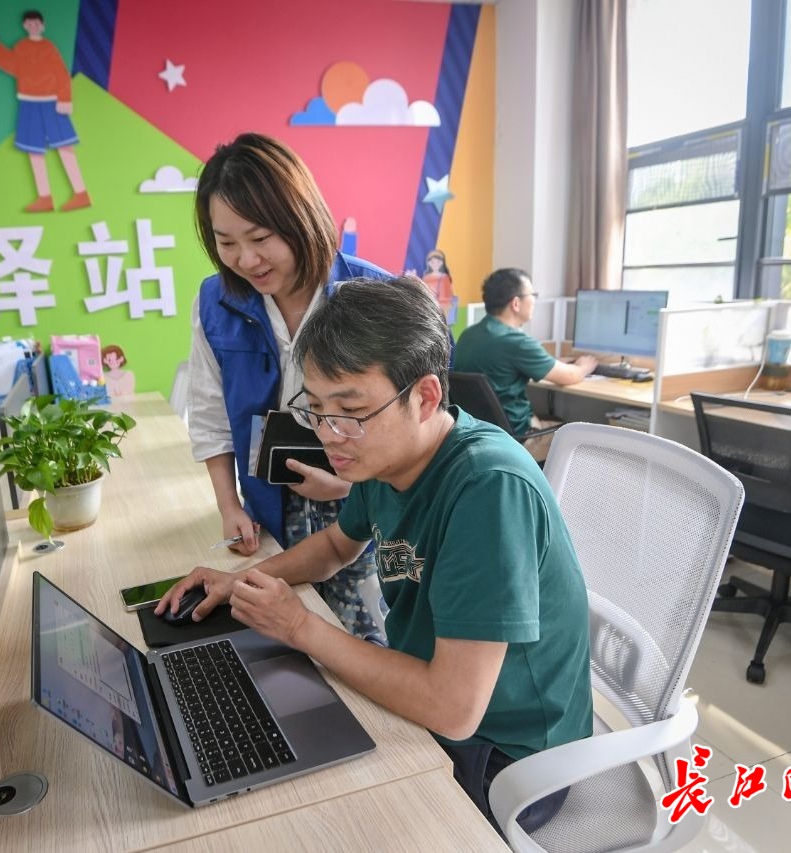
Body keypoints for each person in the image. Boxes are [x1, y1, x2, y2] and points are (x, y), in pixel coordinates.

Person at [158, 276, 592, 833]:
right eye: (316, 409)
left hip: (509, 757)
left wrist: (300, 627)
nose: (329, 434)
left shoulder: (487, 488)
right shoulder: (383, 458)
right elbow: (335, 546)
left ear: (425, 397)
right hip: (435, 699)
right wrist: (239, 581)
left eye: (350, 410)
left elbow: (454, 710)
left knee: (305, 820)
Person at [187, 132, 393, 644]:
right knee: (276, 638)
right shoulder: (216, 301)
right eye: (226, 243)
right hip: (267, 505)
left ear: (300, 218)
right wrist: (229, 506)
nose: (245, 260)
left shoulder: (373, 295)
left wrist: (349, 488)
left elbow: (416, 435)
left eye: (260, 238)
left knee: (363, 640)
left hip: (365, 511)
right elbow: (210, 414)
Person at [453, 268, 597, 455]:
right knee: (578, 436)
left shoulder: (468, 335)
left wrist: (551, 361)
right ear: (516, 303)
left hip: (478, 434)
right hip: (519, 438)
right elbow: (570, 376)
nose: (534, 301)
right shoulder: (516, 341)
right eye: (532, 295)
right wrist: (584, 365)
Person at [0, 10, 91, 213]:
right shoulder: (21, 46)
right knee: (33, 149)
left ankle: (81, 193)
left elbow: (61, 73)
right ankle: (44, 197)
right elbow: (14, 66)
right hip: (28, 102)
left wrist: (65, 98)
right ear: (25, 26)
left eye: (36, 23)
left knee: (64, 145)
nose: (33, 26)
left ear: (43, 25)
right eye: (29, 24)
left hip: (51, 102)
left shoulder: (48, 47)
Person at [421, 249, 454, 319]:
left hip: (440, 312)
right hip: (427, 310)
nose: (435, 264)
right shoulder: (425, 278)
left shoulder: (444, 278)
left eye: (438, 262)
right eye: (432, 262)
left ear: (441, 263)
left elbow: (446, 299)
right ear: (429, 263)